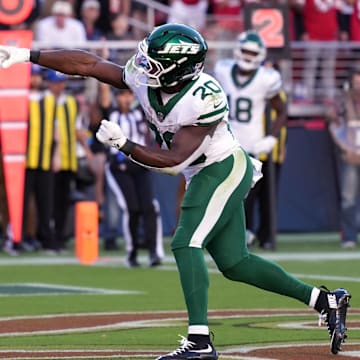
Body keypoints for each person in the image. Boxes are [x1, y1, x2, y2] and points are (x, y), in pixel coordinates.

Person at [0, 23, 351, 359]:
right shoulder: (144, 77)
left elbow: (173, 161)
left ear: (176, 70)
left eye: (153, 62)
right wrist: (26, 55)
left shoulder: (202, 98)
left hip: (223, 168)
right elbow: (89, 64)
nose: (142, 66)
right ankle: (324, 300)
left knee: (186, 243)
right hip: (202, 171)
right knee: (235, 263)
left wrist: (124, 144)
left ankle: (199, 340)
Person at [214, 31, 287, 249]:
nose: (247, 56)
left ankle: (243, 237)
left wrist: (272, 138)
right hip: (224, 144)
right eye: (245, 51)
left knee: (246, 197)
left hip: (252, 146)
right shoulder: (223, 70)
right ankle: (228, 236)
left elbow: (282, 110)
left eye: (252, 52)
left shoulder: (268, 78)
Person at [99, 83, 164, 266]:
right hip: (119, 167)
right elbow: (104, 98)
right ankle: (132, 252)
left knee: (150, 207)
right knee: (132, 208)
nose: (126, 99)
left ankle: (154, 252)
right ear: (116, 97)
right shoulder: (111, 114)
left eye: (129, 95)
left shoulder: (140, 113)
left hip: (141, 164)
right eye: (121, 95)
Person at [328, 64, 360, 249]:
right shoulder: (342, 100)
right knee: (348, 197)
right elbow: (333, 124)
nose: (359, 85)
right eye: (356, 81)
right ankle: (349, 236)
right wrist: (344, 147)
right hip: (349, 153)